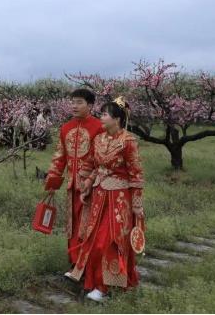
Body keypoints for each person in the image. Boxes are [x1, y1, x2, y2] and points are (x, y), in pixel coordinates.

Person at [65, 97, 145, 302]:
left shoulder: (128, 142)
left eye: (104, 114)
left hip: (119, 199)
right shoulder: (99, 139)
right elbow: (92, 165)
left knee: (108, 242)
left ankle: (104, 286)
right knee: (91, 239)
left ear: (117, 119)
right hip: (98, 196)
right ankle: (95, 282)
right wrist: (86, 186)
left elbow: (136, 174)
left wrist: (136, 203)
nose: (101, 117)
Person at [43, 89, 104, 272]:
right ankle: (74, 262)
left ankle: (88, 266)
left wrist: (92, 179)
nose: (74, 106)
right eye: (73, 102)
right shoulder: (66, 128)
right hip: (71, 185)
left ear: (90, 105)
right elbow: (59, 157)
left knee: (88, 225)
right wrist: (53, 182)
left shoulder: (99, 127)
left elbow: (103, 158)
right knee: (72, 224)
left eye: (79, 102)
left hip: (93, 186)